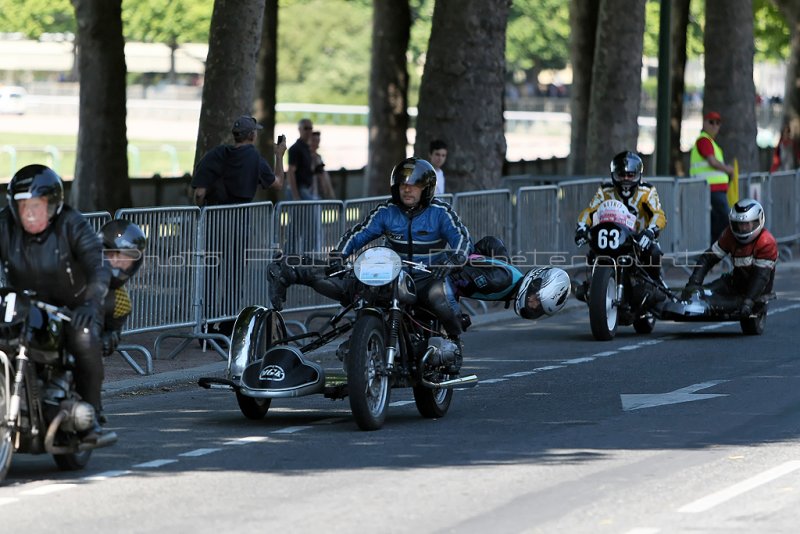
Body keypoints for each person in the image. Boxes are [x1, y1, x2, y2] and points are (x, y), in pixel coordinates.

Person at [270, 157, 471, 373]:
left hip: (428, 276)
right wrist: (339, 254)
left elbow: (462, 236)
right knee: (355, 289)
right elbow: (359, 233)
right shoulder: (386, 211)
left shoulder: (440, 212)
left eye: (414, 186)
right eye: (403, 185)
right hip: (393, 275)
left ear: (427, 189)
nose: (407, 190)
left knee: (439, 294)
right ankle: (363, 341)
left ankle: (454, 341)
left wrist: (455, 258)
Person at [0, 164, 113, 445]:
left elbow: (98, 263)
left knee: (84, 339)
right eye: (24, 205)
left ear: (52, 206)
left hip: (71, 308)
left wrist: (90, 303)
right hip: (20, 303)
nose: (31, 213)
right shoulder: (4, 225)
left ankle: (93, 415)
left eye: (38, 205)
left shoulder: (72, 224)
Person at [574, 151, 667, 297]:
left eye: (630, 175)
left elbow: (658, 214)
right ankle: (593, 285)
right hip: (612, 236)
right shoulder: (605, 190)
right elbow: (590, 211)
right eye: (621, 175)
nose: (626, 179)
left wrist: (650, 231)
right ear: (613, 174)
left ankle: (655, 287)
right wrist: (582, 227)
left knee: (654, 253)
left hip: (639, 238)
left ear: (638, 175)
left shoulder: (647, 191)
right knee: (593, 253)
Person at [680, 198, 777, 315]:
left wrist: (748, 302)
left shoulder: (766, 241)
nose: (742, 229)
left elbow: (761, 277)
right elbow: (708, 258)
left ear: (758, 221)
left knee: (712, 303)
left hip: (757, 291)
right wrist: (694, 284)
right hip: (734, 282)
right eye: (739, 225)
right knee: (701, 293)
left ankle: (740, 302)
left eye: (747, 224)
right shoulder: (730, 235)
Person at [450, 236, 571, 322]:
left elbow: (492, 242)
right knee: (453, 322)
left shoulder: (513, 277)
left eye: (539, 307)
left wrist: (473, 257)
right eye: (538, 299)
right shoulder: (498, 282)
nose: (534, 306)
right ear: (536, 284)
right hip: (439, 269)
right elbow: (453, 277)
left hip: (444, 268)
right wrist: (455, 314)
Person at [190, 115, 285, 206]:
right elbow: (279, 184)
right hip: (240, 220)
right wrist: (279, 156)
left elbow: (199, 194)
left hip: (213, 219)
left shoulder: (216, 153)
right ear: (252, 135)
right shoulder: (255, 159)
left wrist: (202, 212)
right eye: (256, 131)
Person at [98, 219, 147, 358]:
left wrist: (108, 339)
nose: (116, 262)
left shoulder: (121, 303)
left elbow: (113, 335)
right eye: (111, 254)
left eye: (125, 258)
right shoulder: (73, 269)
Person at [690, 111, 735, 245]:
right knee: (727, 219)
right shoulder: (704, 140)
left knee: (715, 221)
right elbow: (712, 162)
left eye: (717, 123)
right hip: (711, 190)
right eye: (711, 122)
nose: (714, 126)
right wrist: (728, 169)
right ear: (704, 123)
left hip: (715, 190)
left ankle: (711, 248)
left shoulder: (711, 143)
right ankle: (712, 248)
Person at [287, 118, 318, 200]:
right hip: (299, 190)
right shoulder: (295, 148)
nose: (308, 131)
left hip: (307, 189)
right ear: (299, 129)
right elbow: (290, 172)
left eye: (310, 128)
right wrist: (295, 195)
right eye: (306, 128)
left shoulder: (308, 149)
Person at [310, 130, 335, 199]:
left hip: (317, 193)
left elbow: (323, 174)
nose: (316, 144)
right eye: (314, 141)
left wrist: (329, 190)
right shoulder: (306, 157)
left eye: (318, 141)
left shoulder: (318, 157)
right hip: (309, 192)